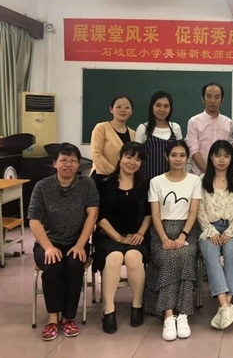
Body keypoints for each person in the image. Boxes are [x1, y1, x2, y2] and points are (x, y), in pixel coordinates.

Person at [28, 143, 99, 341]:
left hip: (77, 241)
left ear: (78, 164)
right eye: (63, 160)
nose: (68, 164)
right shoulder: (42, 187)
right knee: (53, 265)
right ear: (55, 163)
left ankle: (68, 318)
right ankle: (53, 318)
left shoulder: (87, 184)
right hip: (48, 242)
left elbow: (92, 216)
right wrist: (48, 247)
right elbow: (34, 221)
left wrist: (80, 244)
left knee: (74, 265)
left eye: (73, 161)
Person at [144, 140, 202, 341]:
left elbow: (193, 211)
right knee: (169, 258)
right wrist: (164, 238)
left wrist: (183, 235)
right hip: (161, 231)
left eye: (182, 155)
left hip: (187, 230)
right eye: (174, 155)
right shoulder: (156, 181)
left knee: (184, 256)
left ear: (187, 158)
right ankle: (169, 316)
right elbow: (155, 214)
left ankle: (183, 315)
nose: (178, 159)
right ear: (166, 157)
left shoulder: (194, 181)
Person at [94, 142, 151, 334]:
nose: (132, 162)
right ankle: (109, 310)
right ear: (120, 157)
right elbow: (100, 217)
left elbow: (149, 214)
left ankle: (137, 305)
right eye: (129, 157)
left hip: (136, 236)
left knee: (134, 257)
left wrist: (140, 233)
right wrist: (118, 238)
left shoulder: (145, 185)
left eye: (138, 159)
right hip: (109, 235)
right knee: (114, 257)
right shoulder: (104, 183)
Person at [197, 140, 233, 330]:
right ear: (211, 157)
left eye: (226, 156)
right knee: (211, 255)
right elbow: (199, 209)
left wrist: (231, 231)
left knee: (232, 254)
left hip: (232, 228)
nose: (222, 160)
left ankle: (225, 305)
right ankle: (225, 304)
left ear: (232, 158)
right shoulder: (201, 180)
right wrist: (210, 231)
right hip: (208, 228)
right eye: (217, 155)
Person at [186, 83, 233, 176]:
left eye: (217, 97)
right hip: (199, 175)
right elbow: (194, 151)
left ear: (222, 100)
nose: (212, 101)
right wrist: (209, 174)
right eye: (208, 96)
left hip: (222, 175)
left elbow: (229, 151)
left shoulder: (228, 123)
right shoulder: (194, 122)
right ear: (203, 98)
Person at [134, 91, 183, 179]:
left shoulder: (175, 128)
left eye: (166, 106)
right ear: (152, 107)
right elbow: (137, 156)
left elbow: (181, 155)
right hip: (147, 179)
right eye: (158, 105)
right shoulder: (143, 128)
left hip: (171, 179)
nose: (162, 109)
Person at [90, 96, 135, 182]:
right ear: (111, 109)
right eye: (118, 107)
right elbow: (96, 154)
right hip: (102, 178)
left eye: (127, 107)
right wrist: (115, 173)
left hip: (124, 180)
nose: (123, 110)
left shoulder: (133, 134)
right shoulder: (101, 128)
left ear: (131, 111)